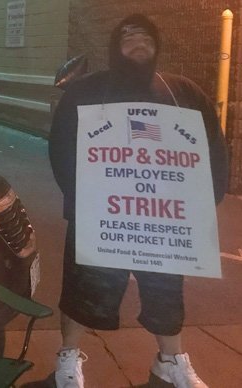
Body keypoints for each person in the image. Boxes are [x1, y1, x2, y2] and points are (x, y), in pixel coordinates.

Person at [48, 13, 228, 388]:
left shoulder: (183, 92)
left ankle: (171, 361)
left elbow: (211, 147)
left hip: (163, 221)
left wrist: (205, 202)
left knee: (166, 292)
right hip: (101, 217)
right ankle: (68, 358)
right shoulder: (85, 92)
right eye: (128, 36)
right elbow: (61, 147)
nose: (138, 42)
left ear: (157, 47)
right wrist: (82, 199)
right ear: (114, 47)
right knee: (83, 288)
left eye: (146, 37)